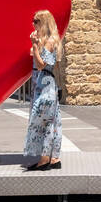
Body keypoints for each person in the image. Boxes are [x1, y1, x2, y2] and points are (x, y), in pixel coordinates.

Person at [24, 9, 63, 171]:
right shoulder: (47, 40)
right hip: (44, 84)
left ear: (43, 22)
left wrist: (34, 45)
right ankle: (53, 158)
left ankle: (45, 159)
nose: (33, 24)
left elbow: (41, 65)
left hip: (45, 85)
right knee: (53, 121)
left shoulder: (50, 41)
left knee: (42, 121)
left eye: (36, 21)